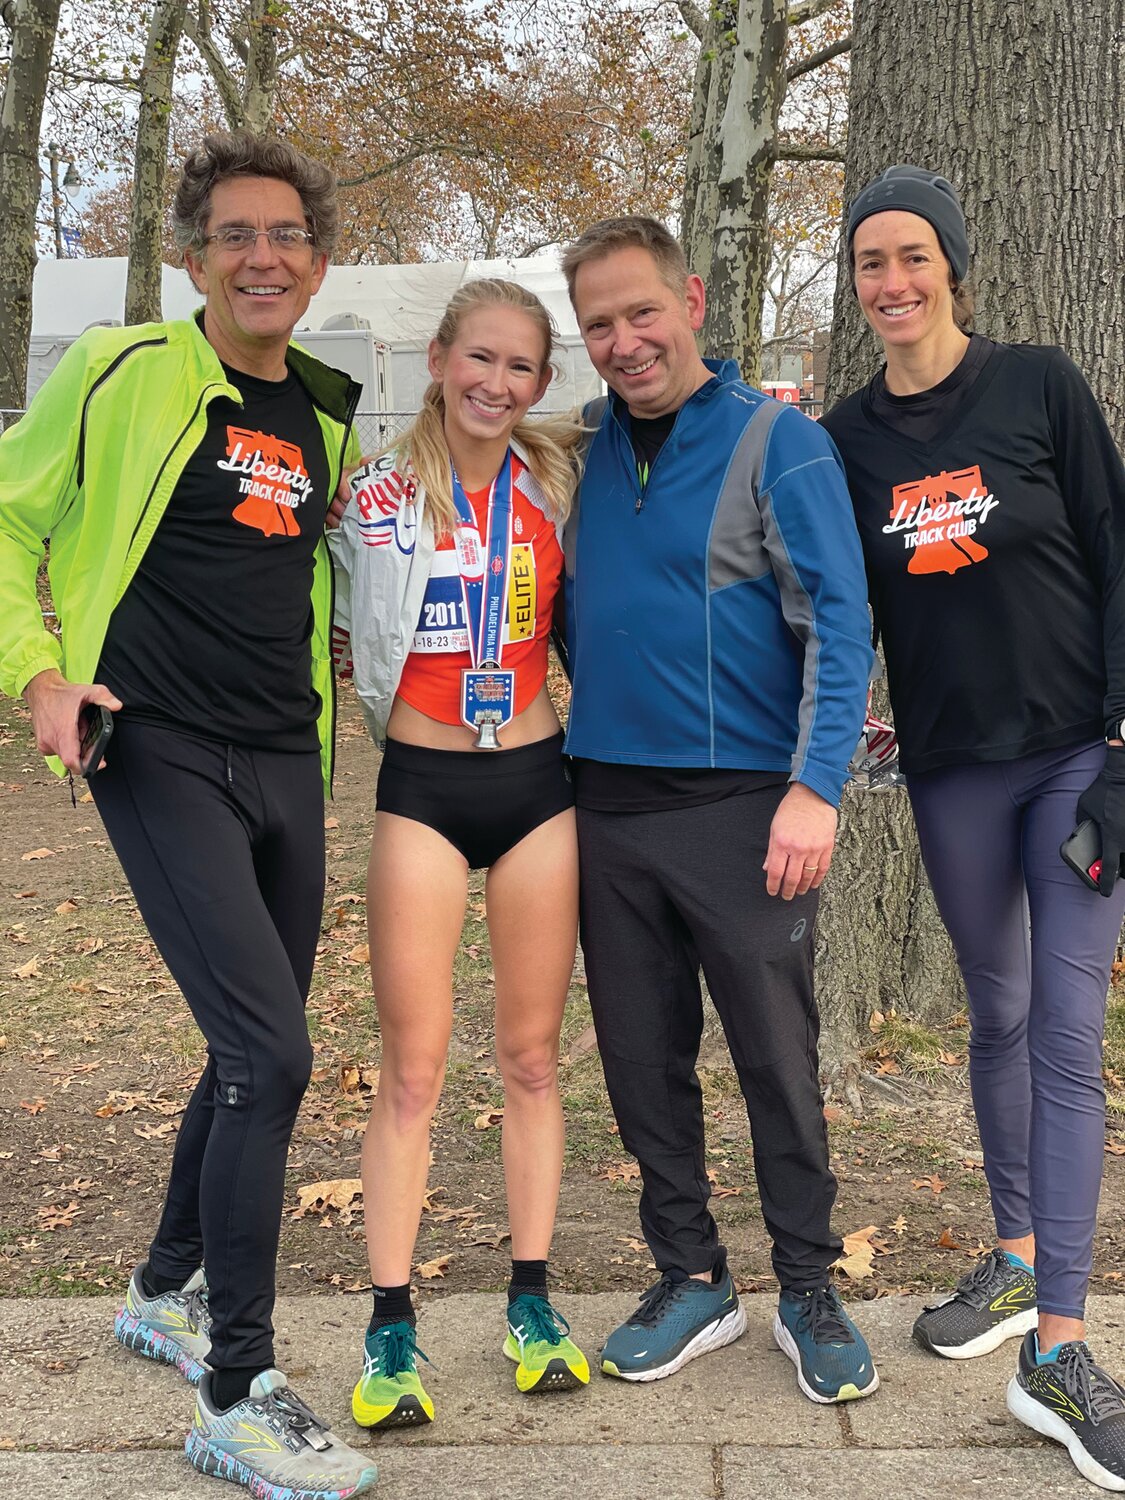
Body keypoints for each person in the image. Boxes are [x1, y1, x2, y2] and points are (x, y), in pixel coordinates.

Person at [0, 130, 378, 1499]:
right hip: (154, 746)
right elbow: (6, 517)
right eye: (234, 234)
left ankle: (164, 1289)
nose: (262, 256)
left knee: (247, 1045)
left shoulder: (326, 415)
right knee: (272, 1056)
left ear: (318, 258)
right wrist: (36, 674)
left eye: (286, 235)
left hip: (291, 761)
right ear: (192, 254)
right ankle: (236, 1388)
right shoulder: (121, 374)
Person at [822, 164, 1125, 1490]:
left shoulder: (1038, 386)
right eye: (868, 264)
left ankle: (1059, 1348)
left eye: (911, 257)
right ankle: (1016, 1261)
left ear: (952, 264)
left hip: (1077, 763)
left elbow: (1116, 552)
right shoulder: (843, 440)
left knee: (1065, 1029)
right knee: (993, 1015)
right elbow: (845, 615)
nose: (891, 282)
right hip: (952, 774)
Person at [558, 216, 879, 1403]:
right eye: (598, 323)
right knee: (643, 1060)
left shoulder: (775, 439)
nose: (625, 340)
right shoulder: (581, 449)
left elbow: (840, 626)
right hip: (604, 806)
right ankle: (691, 1275)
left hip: (750, 809)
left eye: (642, 311)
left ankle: (807, 1283)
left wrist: (816, 786)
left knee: (776, 1064)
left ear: (689, 298)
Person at [330, 278, 589, 1431]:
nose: (495, 383)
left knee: (532, 1061)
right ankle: (391, 1329)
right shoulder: (370, 491)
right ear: (438, 359)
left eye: (520, 367)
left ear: (541, 381)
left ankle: (531, 1305)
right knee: (415, 1070)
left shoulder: (561, 480)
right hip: (424, 786)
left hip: (539, 782)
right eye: (478, 358)